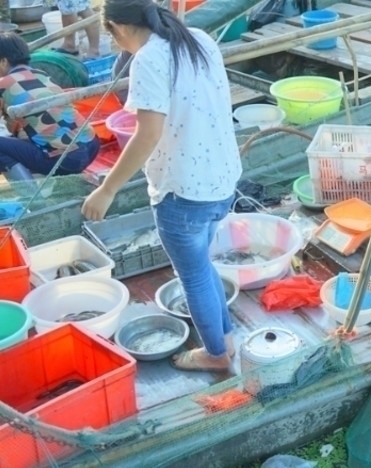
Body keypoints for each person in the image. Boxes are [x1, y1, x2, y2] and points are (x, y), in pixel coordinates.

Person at [81, 0, 243, 372]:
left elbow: (147, 133)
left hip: (183, 190)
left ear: (117, 29)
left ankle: (216, 354)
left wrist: (107, 188)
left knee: (193, 274)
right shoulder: (198, 38)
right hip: (221, 180)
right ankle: (226, 337)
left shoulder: (149, 59)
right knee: (202, 266)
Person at [0, 32, 100, 193]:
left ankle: (33, 201)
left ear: (3, 61)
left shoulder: (3, 84)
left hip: (65, 158)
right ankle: (68, 185)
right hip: (91, 145)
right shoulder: (41, 74)